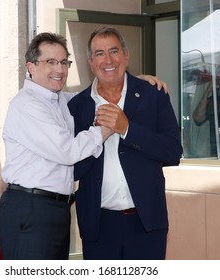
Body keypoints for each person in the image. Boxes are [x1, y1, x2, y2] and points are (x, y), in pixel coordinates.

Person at [0, 32, 168, 260]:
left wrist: (131, 80)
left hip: (55, 210)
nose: (59, 69)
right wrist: (110, 127)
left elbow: (90, 95)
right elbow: (68, 151)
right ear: (31, 66)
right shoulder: (28, 104)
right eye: (50, 62)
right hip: (31, 209)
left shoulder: (57, 100)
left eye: (63, 62)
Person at [67, 26, 183, 260]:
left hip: (146, 224)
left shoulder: (153, 94)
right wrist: (97, 135)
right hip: (98, 227)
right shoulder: (77, 107)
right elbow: (73, 169)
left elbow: (173, 152)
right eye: (99, 53)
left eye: (114, 51)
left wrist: (127, 129)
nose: (108, 60)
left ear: (126, 56)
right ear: (91, 62)